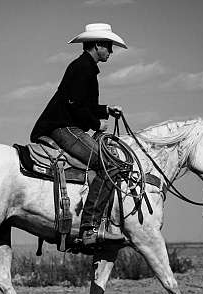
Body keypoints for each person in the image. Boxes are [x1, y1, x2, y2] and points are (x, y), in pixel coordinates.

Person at [30, 23, 127, 246]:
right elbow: (74, 105)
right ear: (98, 45)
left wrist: (105, 110)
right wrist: (96, 123)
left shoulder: (85, 67)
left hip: (64, 125)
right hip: (62, 127)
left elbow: (82, 103)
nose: (110, 52)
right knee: (110, 166)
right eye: (109, 47)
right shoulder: (83, 68)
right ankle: (89, 229)